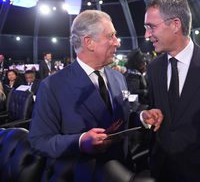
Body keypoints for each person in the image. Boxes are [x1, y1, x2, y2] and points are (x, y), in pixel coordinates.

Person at [29, 10, 162, 182]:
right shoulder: (52, 86)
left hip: (122, 171)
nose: (117, 42)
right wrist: (80, 141)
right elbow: (38, 141)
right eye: (111, 36)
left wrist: (142, 117)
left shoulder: (118, 77)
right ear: (89, 42)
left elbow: (123, 120)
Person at [143, 0, 200, 182]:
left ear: (175, 24)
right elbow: (150, 106)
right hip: (161, 170)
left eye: (151, 27)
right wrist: (146, 114)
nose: (147, 35)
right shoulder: (153, 68)